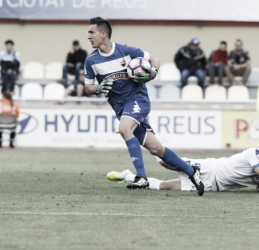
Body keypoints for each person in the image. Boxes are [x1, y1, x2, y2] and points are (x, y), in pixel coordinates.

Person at [84, 17, 204, 195]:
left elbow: (155, 59)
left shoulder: (127, 50)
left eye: (91, 32)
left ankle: (141, 177)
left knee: (125, 129)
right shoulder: (91, 61)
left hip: (138, 100)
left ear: (103, 34)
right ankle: (192, 172)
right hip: (121, 109)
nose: (88, 36)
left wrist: (153, 72)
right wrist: (99, 88)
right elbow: (88, 87)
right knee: (156, 149)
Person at [107, 143, 259, 195]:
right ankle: (139, 133)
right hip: (209, 168)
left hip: (211, 185)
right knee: (162, 161)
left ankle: (127, 175)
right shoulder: (255, 154)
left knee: (164, 187)